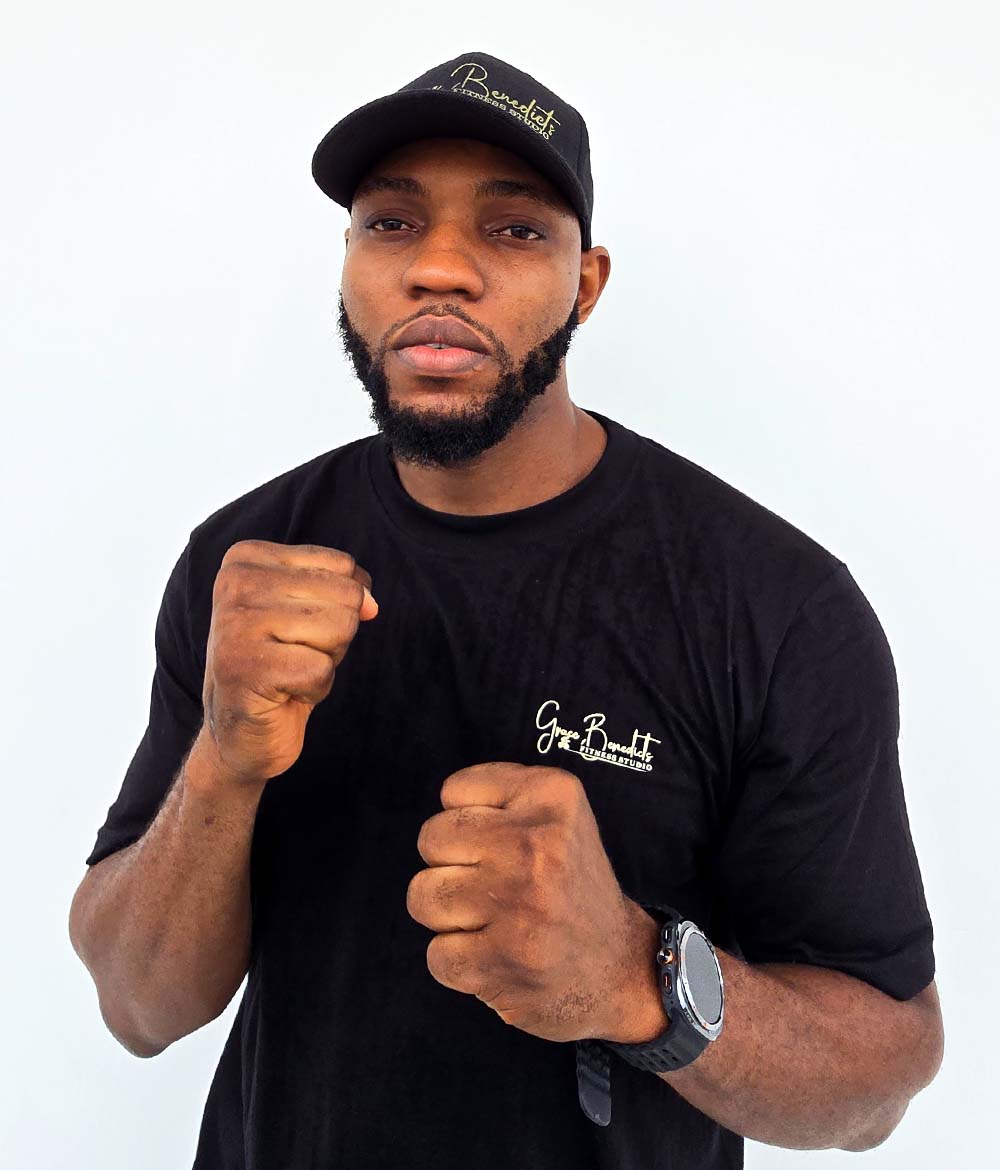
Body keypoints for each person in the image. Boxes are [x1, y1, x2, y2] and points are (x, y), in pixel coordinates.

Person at [68, 51, 944, 1170]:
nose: (439, 267)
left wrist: (633, 977)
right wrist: (226, 763)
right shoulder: (244, 563)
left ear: (586, 285)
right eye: (391, 224)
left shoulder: (774, 608)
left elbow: (875, 1089)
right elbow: (138, 1008)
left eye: (514, 229)